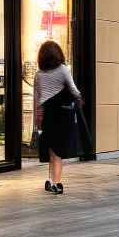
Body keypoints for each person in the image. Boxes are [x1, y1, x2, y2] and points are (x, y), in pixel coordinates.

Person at [33, 40, 83, 195]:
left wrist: (37, 117)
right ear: (58, 54)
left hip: (45, 115)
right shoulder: (63, 70)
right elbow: (74, 90)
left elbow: (37, 98)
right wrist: (79, 100)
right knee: (58, 153)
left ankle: (50, 180)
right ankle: (57, 183)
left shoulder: (38, 75)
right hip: (60, 115)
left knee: (52, 152)